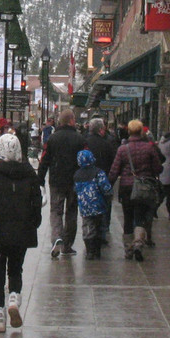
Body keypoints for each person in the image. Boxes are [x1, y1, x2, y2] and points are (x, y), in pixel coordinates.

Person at [0, 132, 42, 332]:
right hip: (21, 230)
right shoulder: (29, 173)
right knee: (16, 269)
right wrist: (34, 223)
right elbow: (37, 202)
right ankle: (13, 298)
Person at [109, 119, 163, 261]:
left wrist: (108, 185)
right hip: (144, 187)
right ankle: (138, 243)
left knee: (127, 218)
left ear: (128, 132)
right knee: (140, 217)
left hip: (126, 187)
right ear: (141, 131)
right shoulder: (149, 148)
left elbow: (114, 170)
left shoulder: (122, 149)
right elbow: (158, 168)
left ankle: (128, 248)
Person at [36, 108, 87, 258]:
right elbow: (85, 159)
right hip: (74, 181)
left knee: (56, 211)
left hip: (57, 181)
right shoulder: (80, 139)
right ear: (71, 121)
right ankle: (67, 244)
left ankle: (56, 237)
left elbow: (44, 159)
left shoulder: (53, 138)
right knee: (71, 212)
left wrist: (40, 180)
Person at [73, 149, 113, 260]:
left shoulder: (77, 174)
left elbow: (75, 190)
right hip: (99, 205)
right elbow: (105, 187)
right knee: (99, 226)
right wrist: (108, 197)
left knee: (87, 227)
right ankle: (97, 250)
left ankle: (89, 250)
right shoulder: (98, 172)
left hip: (84, 207)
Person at [84, 117, 115, 244]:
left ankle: (90, 234)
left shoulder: (85, 142)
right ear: (100, 130)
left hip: (87, 179)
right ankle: (103, 231)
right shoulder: (107, 143)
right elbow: (112, 161)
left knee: (89, 206)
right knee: (104, 205)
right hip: (103, 178)